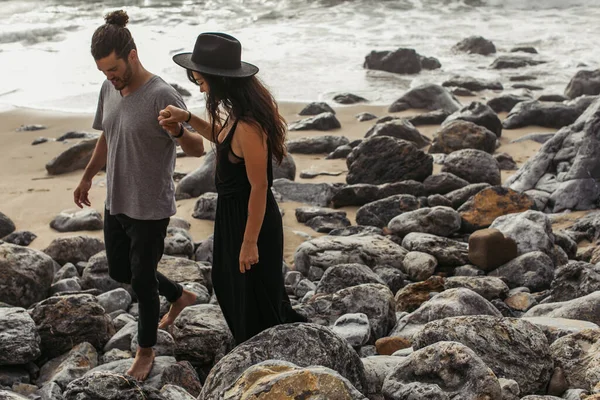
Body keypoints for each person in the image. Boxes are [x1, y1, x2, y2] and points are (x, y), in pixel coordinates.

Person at [73, 10, 199, 381]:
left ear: (132, 55)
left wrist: (177, 131)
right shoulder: (108, 88)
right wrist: (86, 178)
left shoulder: (161, 93)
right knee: (122, 270)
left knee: (142, 282)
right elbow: (107, 134)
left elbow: (196, 147)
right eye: (102, 72)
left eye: (113, 69)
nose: (109, 78)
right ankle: (180, 295)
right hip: (117, 199)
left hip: (150, 206)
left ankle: (145, 352)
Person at [158, 32, 306, 345]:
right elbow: (221, 136)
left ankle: (266, 356)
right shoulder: (236, 117)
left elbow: (260, 186)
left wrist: (250, 242)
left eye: (200, 79)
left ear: (219, 79)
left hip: (250, 220)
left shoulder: (249, 126)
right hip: (232, 215)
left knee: (251, 298)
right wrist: (186, 118)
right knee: (229, 286)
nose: (199, 85)